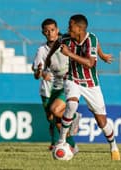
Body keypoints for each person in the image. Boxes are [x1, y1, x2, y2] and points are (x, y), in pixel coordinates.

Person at [56, 14, 121, 160]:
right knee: (71, 104)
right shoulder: (66, 38)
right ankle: (61, 141)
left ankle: (113, 146)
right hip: (72, 79)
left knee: (102, 122)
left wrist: (70, 54)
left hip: (91, 84)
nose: (68, 28)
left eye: (70, 26)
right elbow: (57, 42)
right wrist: (48, 60)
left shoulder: (91, 39)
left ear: (79, 29)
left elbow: (90, 63)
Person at [32, 18, 79, 152]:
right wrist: (40, 73)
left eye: (52, 30)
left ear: (57, 30)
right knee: (53, 120)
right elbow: (35, 73)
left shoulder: (66, 43)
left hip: (65, 85)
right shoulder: (42, 50)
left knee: (56, 111)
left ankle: (74, 116)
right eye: (47, 31)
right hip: (47, 90)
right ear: (43, 33)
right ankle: (72, 146)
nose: (50, 33)